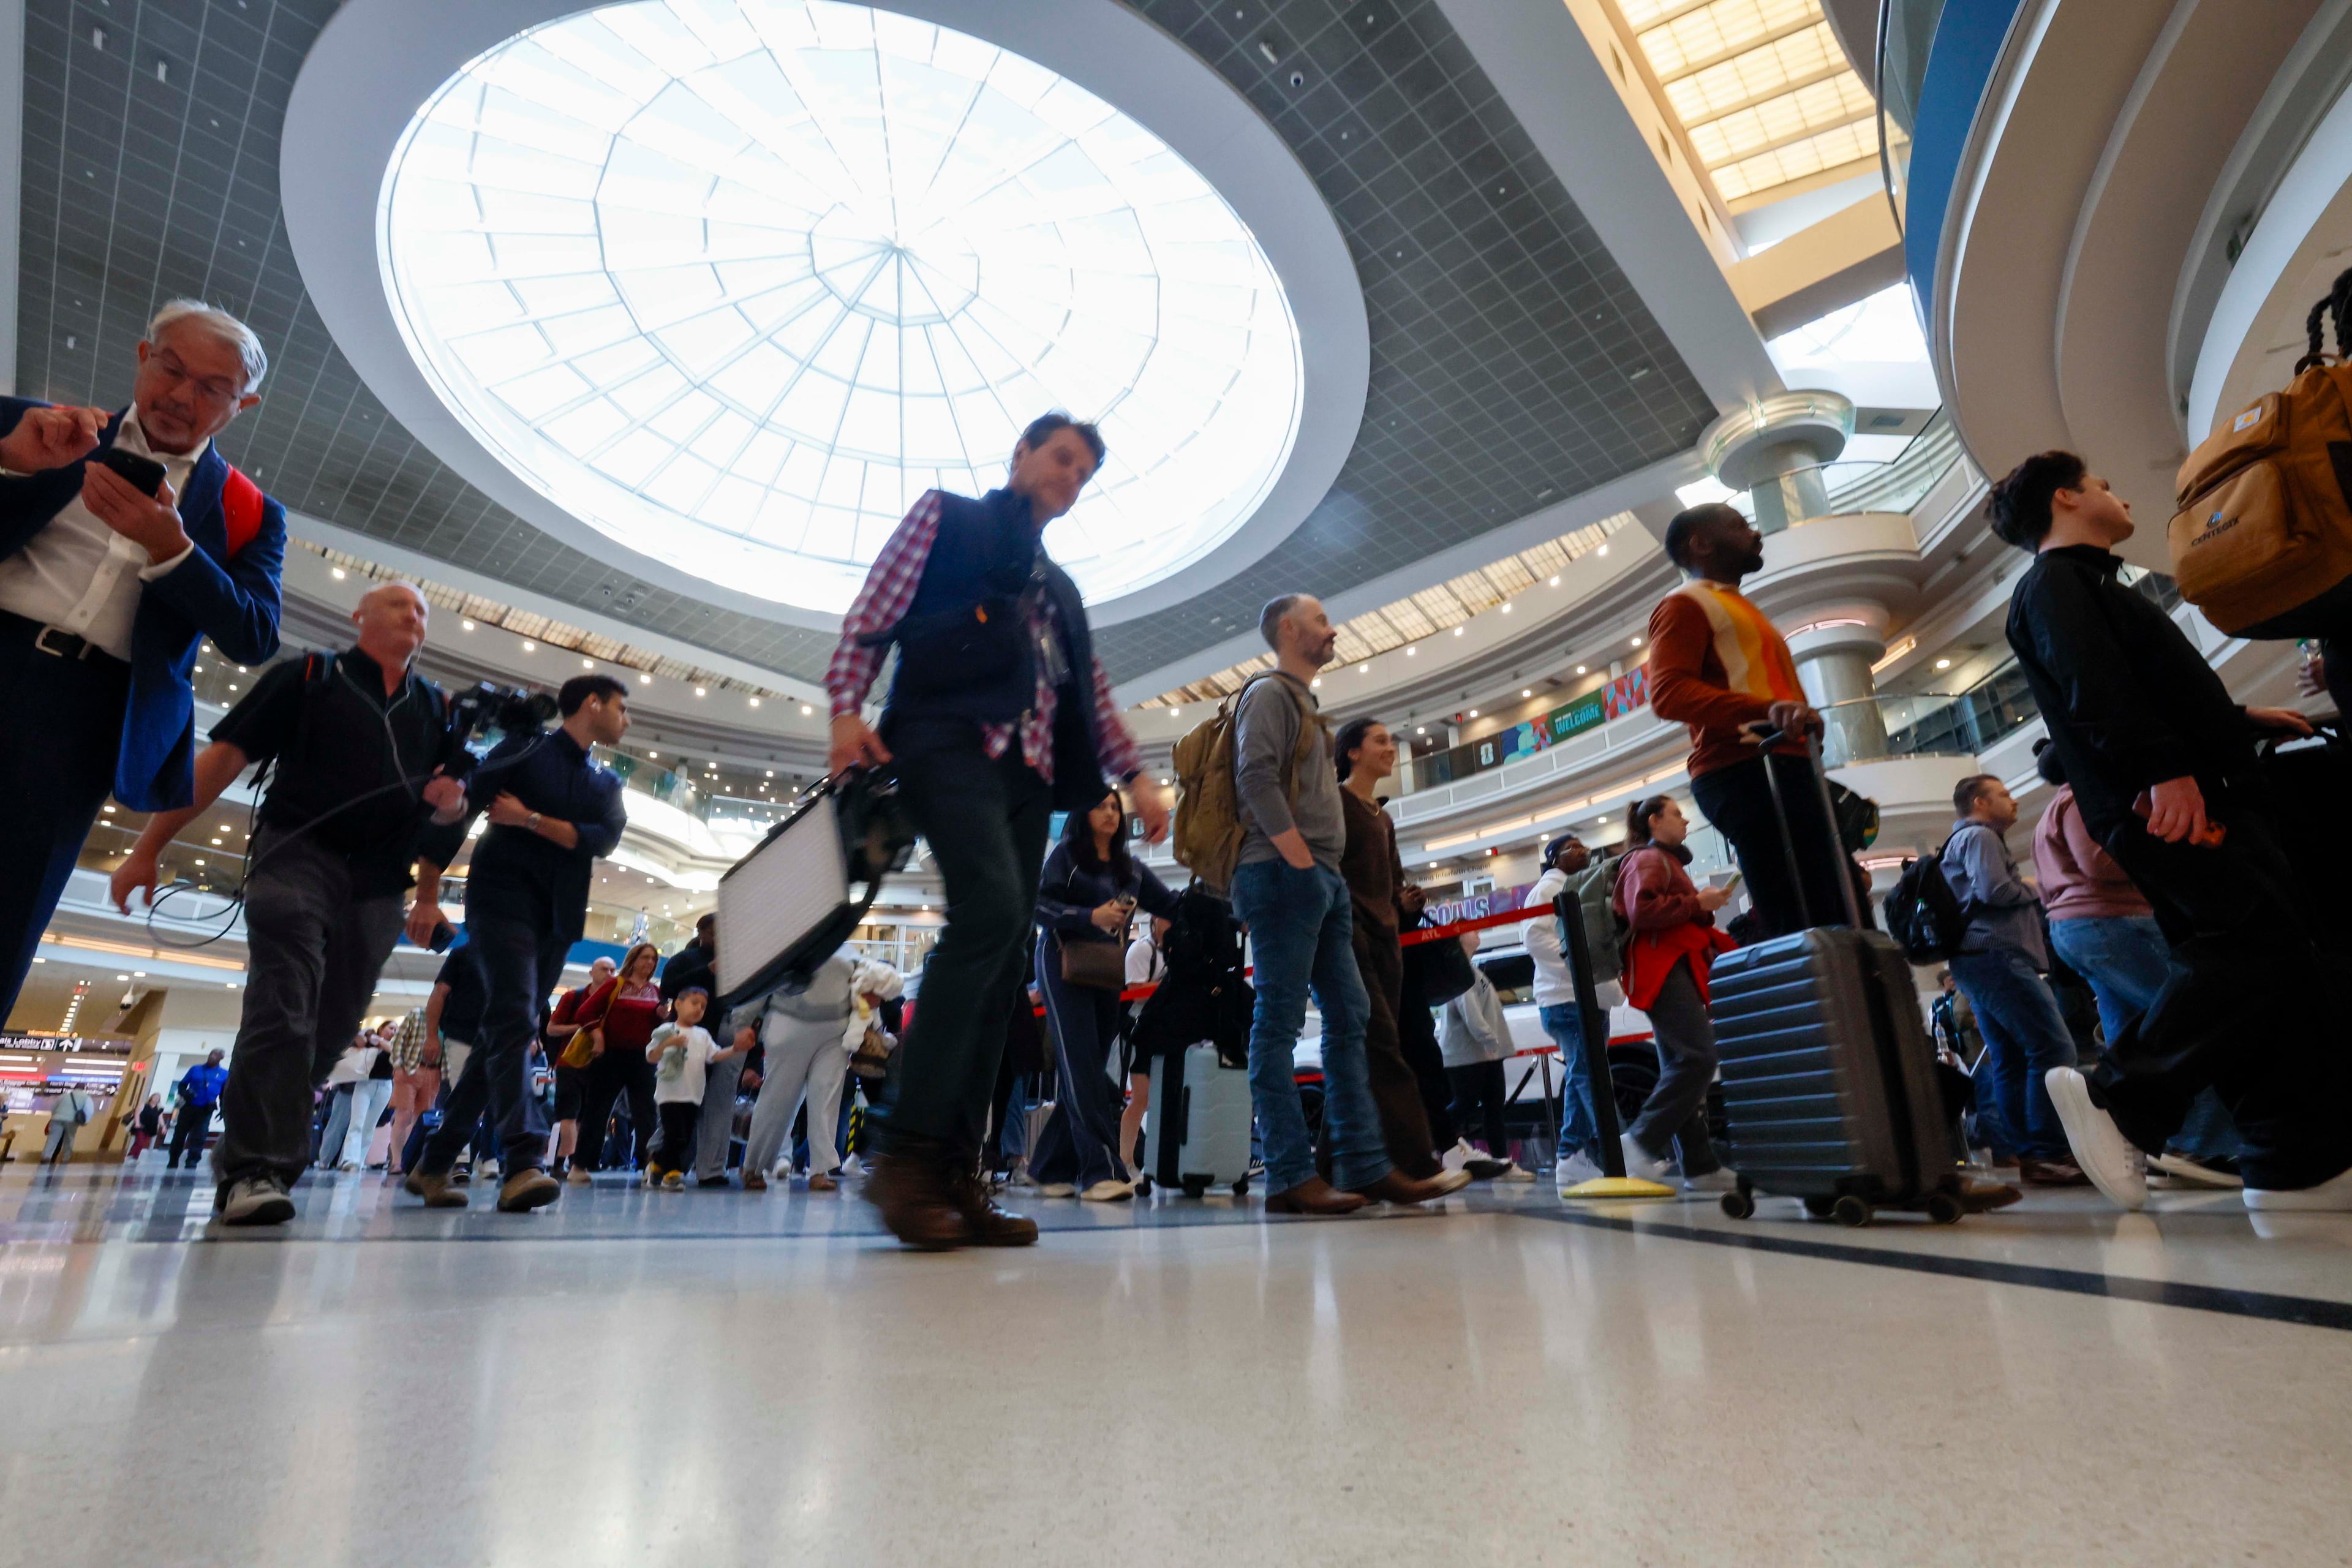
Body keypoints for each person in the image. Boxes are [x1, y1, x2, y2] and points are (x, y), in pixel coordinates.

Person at [826, 412, 1168, 1250]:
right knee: (986, 918)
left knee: (1008, 951)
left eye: (1084, 472)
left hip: (1029, 780)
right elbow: (874, 613)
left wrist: (1134, 777)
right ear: (1020, 456)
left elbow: (1089, 693)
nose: (1070, 477)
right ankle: (904, 1155)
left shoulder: (1059, 587)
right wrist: (844, 710)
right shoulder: (949, 518)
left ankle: (957, 1175)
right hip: (945, 743)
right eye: (1061, 459)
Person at [1987, 451, 2352, 1210]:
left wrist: (2238, 718)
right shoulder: (2055, 584)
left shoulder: (2085, 583)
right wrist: (2163, 768)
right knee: (2253, 943)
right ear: (2066, 497)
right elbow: (2096, 689)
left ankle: (2294, 1159)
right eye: (2104, 483)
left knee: (2280, 965)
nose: (2117, 495)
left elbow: (2144, 684)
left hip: (2184, 789)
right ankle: (2121, 1098)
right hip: (2168, 801)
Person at [110, 580, 470, 1222]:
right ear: (359, 615)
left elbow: (448, 816)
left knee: (333, 1023)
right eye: (397, 604)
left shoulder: (438, 711)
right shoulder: (308, 675)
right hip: (295, 855)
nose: (412, 615)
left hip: (380, 881)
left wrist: (438, 856)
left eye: (422, 609)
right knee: (285, 1002)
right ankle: (254, 1170)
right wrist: (149, 846)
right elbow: (221, 760)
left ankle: (272, 1128)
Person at [0, 301, 286, 1022]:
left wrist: (174, 550)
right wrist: (8, 462)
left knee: (10, 916)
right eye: (172, 368)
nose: (183, 396)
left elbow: (255, 634)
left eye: (214, 387)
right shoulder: (32, 425)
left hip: (83, 722)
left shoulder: (248, 511)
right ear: (141, 356)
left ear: (242, 404)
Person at [1230, 595, 1458, 1215]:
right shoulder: (1270, 694)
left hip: (1320, 879)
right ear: (1287, 628)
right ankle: (1288, 1174)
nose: (1333, 631)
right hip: (1282, 874)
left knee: (1352, 1015)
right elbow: (1253, 776)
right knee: (1277, 1022)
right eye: (1321, 621)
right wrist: (1300, 859)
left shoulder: (1305, 703)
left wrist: (1316, 868)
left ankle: (1363, 1163)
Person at [405, 674, 630, 1213]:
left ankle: (433, 1164)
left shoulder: (606, 782)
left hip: (560, 915)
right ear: (592, 704)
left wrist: (530, 820)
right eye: (622, 708)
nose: (627, 720)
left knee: (501, 1038)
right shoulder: (524, 749)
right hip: (500, 899)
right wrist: (427, 896)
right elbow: (451, 816)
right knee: (510, 1019)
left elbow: (605, 839)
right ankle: (525, 1161)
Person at [2030, 742, 2241, 1183]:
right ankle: (2199, 1145)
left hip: (2082, 928)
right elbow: (2098, 862)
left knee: (2131, 1032)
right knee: (2188, 1023)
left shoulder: (2055, 807)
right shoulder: (2080, 800)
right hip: (2111, 920)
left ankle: (2148, 1141)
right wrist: (2159, 847)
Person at [1646, 504, 1845, 938]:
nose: (1755, 533)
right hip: (1747, 769)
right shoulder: (1685, 604)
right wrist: (1768, 711)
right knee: (1806, 917)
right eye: (1739, 526)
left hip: (1781, 765)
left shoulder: (1735, 606)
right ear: (1701, 543)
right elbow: (1667, 693)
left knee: (1833, 905)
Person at [1333, 716, 1476, 1193]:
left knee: (1367, 1052)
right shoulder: (1336, 805)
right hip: (1351, 939)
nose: (1390, 749)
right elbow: (1330, 873)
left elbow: (1391, 881)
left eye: (1391, 741)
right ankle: (1419, 1163)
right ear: (1352, 751)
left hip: (1387, 943)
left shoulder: (1382, 815)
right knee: (1384, 1049)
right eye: (1380, 741)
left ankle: (1334, 1167)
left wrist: (1403, 901)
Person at [1029, 791, 1182, 1201]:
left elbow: (1170, 903)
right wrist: (1089, 916)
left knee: (1090, 1069)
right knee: (1082, 1067)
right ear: (1083, 814)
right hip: (1062, 963)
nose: (1111, 813)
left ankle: (1047, 1169)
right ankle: (1100, 1171)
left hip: (1106, 969)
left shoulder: (1129, 869)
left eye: (1116, 807)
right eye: (1101, 806)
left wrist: (1223, 908)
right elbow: (1039, 906)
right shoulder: (1065, 857)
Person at [1939, 775, 2086, 1187]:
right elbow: (1996, 891)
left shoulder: (1961, 842)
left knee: (2011, 1058)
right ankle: (2049, 1151)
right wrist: (2035, 888)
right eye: (2003, 794)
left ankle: (2028, 1153)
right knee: (2052, 1046)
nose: (2014, 800)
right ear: (1981, 803)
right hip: (1997, 956)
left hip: (1977, 959)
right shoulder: (1980, 838)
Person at [1610, 796, 1735, 1193]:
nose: (1685, 821)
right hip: (1663, 966)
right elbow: (1642, 912)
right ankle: (1640, 1141)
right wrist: (1697, 902)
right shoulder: (1648, 859)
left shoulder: (1662, 860)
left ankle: (1699, 1164)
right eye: (1677, 814)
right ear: (1654, 821)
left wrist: (1701, 906)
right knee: (1698, 1056)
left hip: (1668, 965)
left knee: (1681, 1062)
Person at [732, 946, 897, 1191]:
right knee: (776, 1099)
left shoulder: (847, 947)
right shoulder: (790, 940)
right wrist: (743, 1022)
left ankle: (820, 1169)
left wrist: (873, 1005)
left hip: (835, 1033)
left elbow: (869, 987)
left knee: (827, 1099)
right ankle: (753, 1165)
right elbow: (764, 980)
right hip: (788, 1024)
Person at [1520, 834, 1608, 1186]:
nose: (1584, 851)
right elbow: (1537, 939)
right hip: (1566, 997)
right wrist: (1580, 966)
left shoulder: (1577, 886)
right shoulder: (1546, 891)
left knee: (1580, 1075)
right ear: (1556, 857)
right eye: (1574, 848)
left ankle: (1571, 1155)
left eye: (1585, 846)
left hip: (1585, 995)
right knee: (1590, 1075)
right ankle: (1623, 1148)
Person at [562, 944, 665, 1180]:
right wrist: (598, 1034)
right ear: (633, 960)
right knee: (597, 1111)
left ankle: (648, 1166)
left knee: (647, 1113)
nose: (650, 962)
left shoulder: (655, 992)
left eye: (654, 959)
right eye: (645, 957)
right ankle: (580, 1166)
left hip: (643, 1058)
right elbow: (584, 1013)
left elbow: (659, 1027)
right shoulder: (615, 984)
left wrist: (663, 1018)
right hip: (610, 1056)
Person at [1439, 933, 1532, 1180]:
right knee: (1467, 1104)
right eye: (1470, 930)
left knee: (1493, 1108)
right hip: (1470, 1055)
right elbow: (1470, 1013)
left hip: (1485, 1054)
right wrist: (1490, 1040)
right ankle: (1429, 1140)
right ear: (1459, 938)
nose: (1477, 933)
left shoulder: (1470, 969)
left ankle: (1503, 1165)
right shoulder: (1460, 971)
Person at [643, 989, 748, 1191]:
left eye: (703, 1006)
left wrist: (735, 1049)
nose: (699, 1008)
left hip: (693, 1095)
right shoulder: (666, 1030)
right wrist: (668, 1044)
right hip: (670, 1094)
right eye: (694, 1003)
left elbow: (715, 1056)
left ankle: (658, 1163)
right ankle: (672, 1173)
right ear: (678, 1005)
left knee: (683, 1134)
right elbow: (651, 1056)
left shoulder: (703, 1035)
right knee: (676, 1135)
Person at [545, 953, 619, 1182]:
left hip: (598, 1064)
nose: (609, 974)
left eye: (612, 970)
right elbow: (551, 1029)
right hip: (570, 1062)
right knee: (568, 1115)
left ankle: (564, 1162)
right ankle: (569, 1162)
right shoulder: (574, 998)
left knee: (583, 1117)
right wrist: (583, 1027)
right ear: (592, 972)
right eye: (604, 969)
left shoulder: (613, 1002)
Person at [1116, 913, 1171, 1181]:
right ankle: (1125, 1160)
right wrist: (1167, 988)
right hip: (1136, 1031)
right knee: (1140, 1098)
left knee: (1149, 1100)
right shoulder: (1142, 950)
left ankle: (1140, 1160)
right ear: (1156, 921)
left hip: (1160, 1030)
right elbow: (1135, 989)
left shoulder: (1173, 952)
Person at [166, 1049, 227, 1169]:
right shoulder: (196, 1069)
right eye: (211, 1054)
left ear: (221, 1058)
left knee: (199, 1136)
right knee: (180, 1134)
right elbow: (182, 1085)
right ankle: (173, 1159)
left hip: (206, 1110)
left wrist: (223, 1110)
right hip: (189, 1107)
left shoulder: (225, 1074)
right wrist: (185, 1093)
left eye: (216, 1055)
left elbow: (224, 1094)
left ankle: (192, 1161)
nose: (212, 1057)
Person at [40, 1088, 89, 1165]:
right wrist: (84, 1122)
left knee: (52, 1139)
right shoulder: (86, 1098)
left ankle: (46, 1157)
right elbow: (88, 1111)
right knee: (69, 1139)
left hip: (58, 1119)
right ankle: (65, 1159)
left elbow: (53, 1108)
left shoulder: (64, 1096)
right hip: (72, 1121)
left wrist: (55, 1116)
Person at [128, 1095, 166, 1161]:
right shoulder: (144, 1105)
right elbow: (137, 1114)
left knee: (143, 1143)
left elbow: (160, 1118)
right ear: (151, 1098)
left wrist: (163, 1126)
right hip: (141, 1126)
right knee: (140, 1142)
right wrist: (137, 1123)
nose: (156, 1099)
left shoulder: (159, 1109)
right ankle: (130, 1155)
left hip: (151, 1128)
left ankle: (135, 1157)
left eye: (158, 1098)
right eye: (155, 1097)